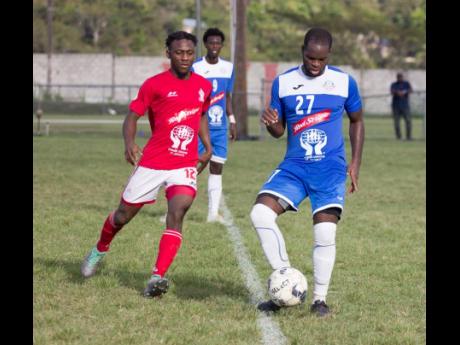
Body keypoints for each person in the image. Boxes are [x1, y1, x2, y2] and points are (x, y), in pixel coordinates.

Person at [80, 31, 213, 299]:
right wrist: (129, 143)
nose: (185, 58)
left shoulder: (203, 86)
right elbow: (132, 117)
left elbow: (200, 115)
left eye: (189, 53)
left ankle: (156, 277)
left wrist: (207, 146)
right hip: (153, 161)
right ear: (168, 53)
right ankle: (100, 249)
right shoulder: (154, 85)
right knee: (122, 215)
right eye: (179, 52)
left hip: (184, 162)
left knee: (178, 211)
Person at [250, 28, 365, 317]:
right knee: (260, 214)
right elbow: (278, 131)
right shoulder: (284, 82)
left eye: (321, 59)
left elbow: (357, 120)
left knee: (325, 231)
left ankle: (319, 300)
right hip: (295, 166)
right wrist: (270, 122)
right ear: (302, 50)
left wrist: (356, 163)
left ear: (329, 55)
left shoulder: (343, 82)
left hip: (329, 169)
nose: (315, 64)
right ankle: (286, 278)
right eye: (310, 57)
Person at [192, 27, 236, 223]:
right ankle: (172, 211)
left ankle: (212, 214)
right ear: (205, 45)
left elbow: (227, 96)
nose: (214, 46)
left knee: (217, 168)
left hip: (220, 127)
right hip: (200, 126)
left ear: (222, 45)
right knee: (191, 168)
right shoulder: (196, 67)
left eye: (218, 43)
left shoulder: (228, 67)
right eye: (211, 43)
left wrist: (232, 118)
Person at [390, 72, 413, 140]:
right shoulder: (394, 84)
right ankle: (398, 137)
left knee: (408, 121)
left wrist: (404, 92)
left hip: (405, 106)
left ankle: (408, 137)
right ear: (397, 77)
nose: (400, 78)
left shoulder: (406, 83)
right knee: (396, 122)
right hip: (396, 106)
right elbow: (391, 91)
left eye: (401, 77)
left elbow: (411, 90)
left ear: (403, 77)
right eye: (398, 77)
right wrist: (397, 92)